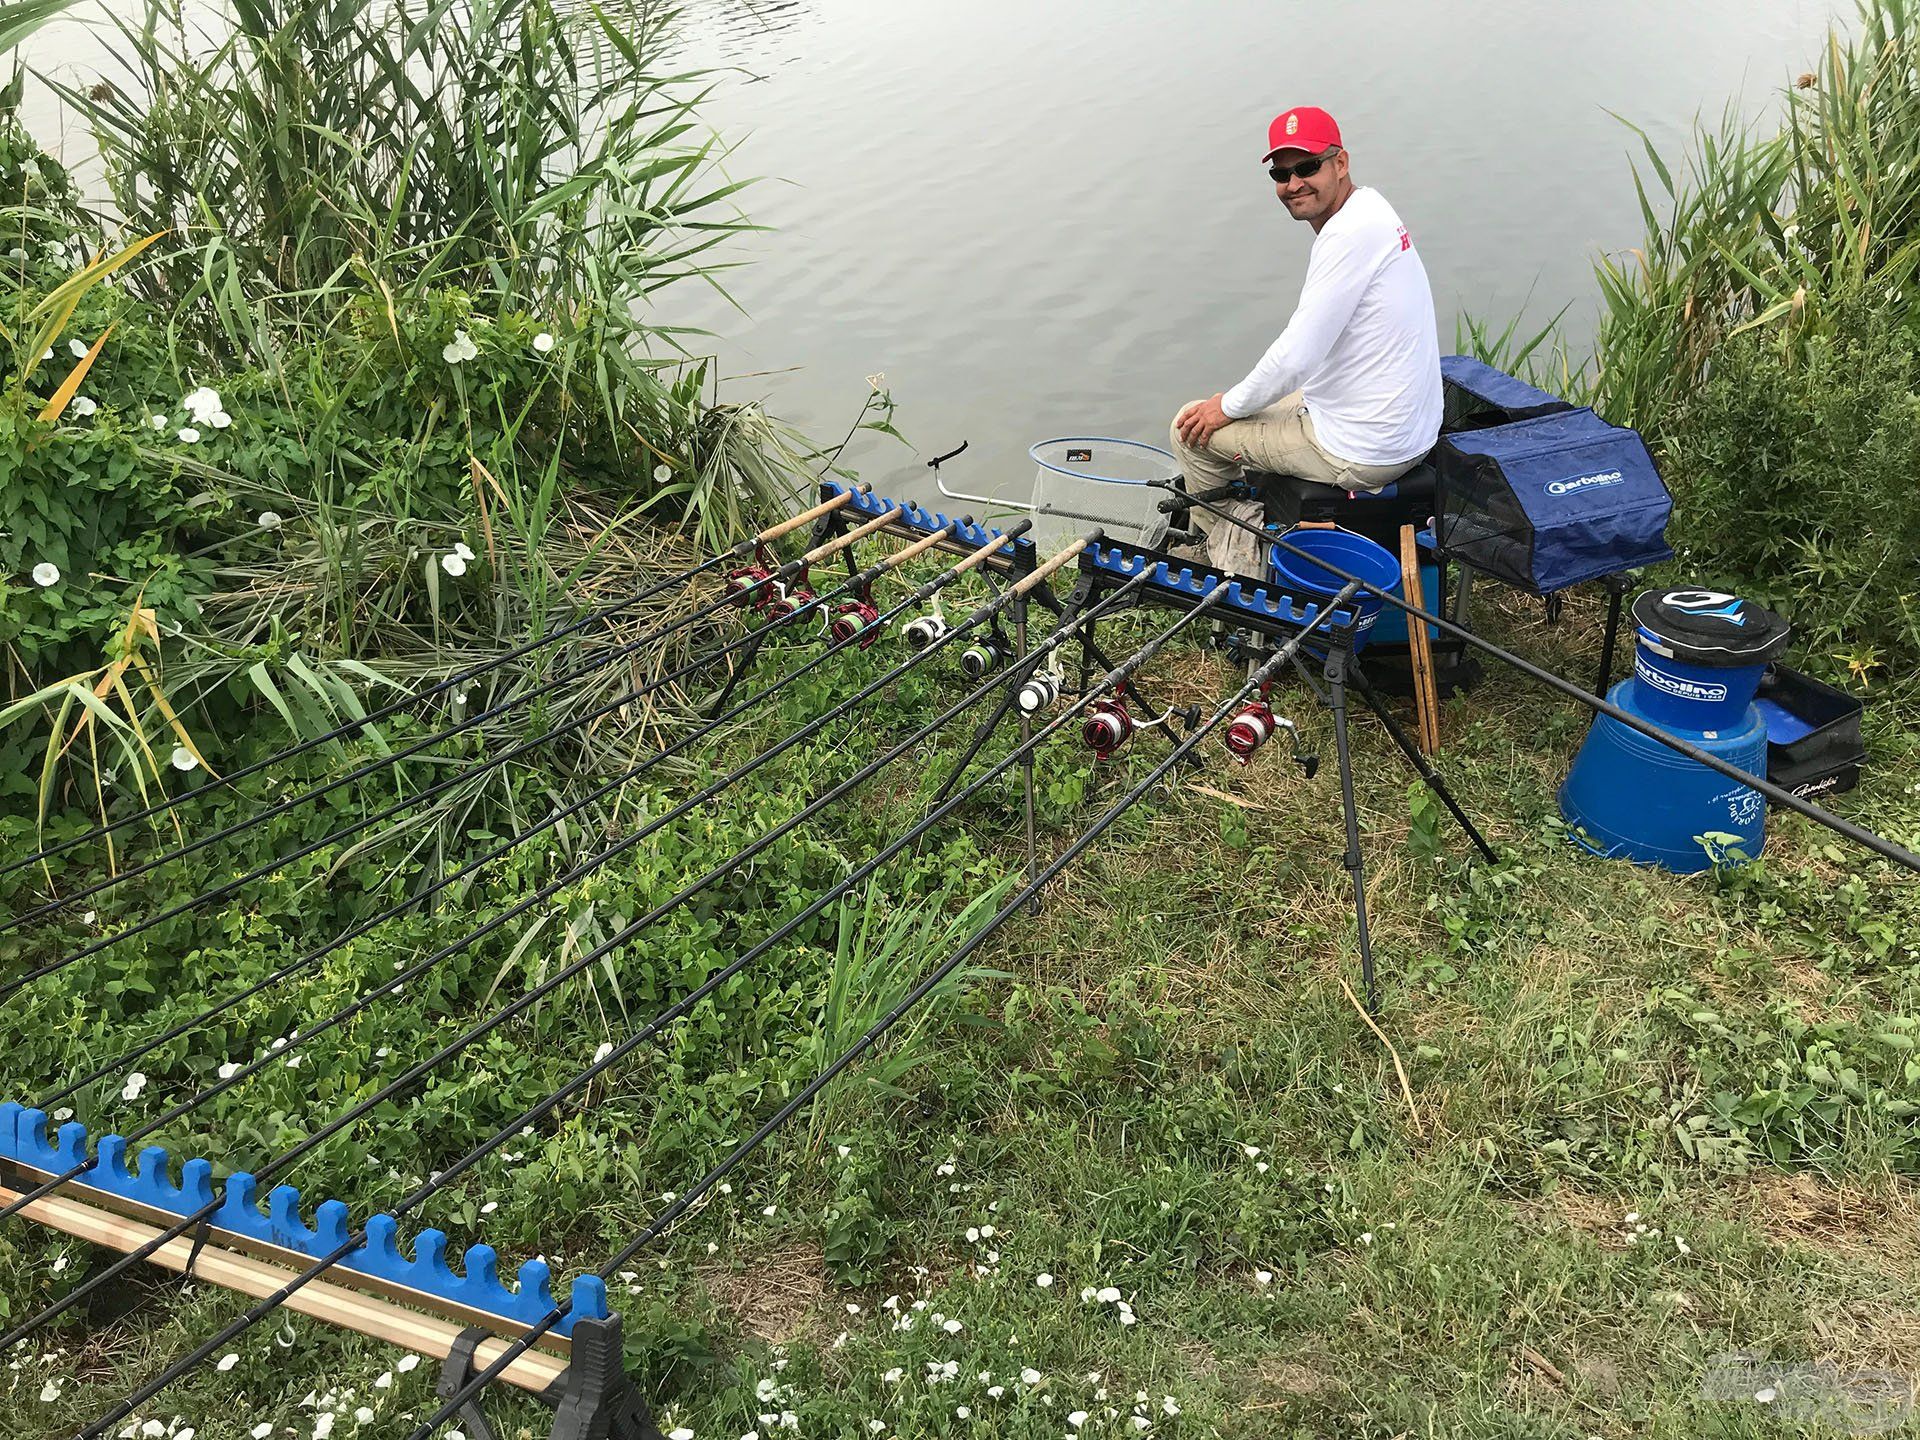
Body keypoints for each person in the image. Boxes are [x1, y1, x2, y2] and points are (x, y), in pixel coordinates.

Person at [1166, 106, 1442, 576]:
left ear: (1341, 162)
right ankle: (1252, 527)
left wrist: (1224, 407)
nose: (1293, 184)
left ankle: (1224, 557)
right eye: (1281, 173)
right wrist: (1240, 401)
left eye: (1308, 167)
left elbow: (1296, 357)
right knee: (1248, 404)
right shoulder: (1371, 209)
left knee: (1191, 427)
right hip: (1407, 431)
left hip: (1363, 448)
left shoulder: (1347, 236)